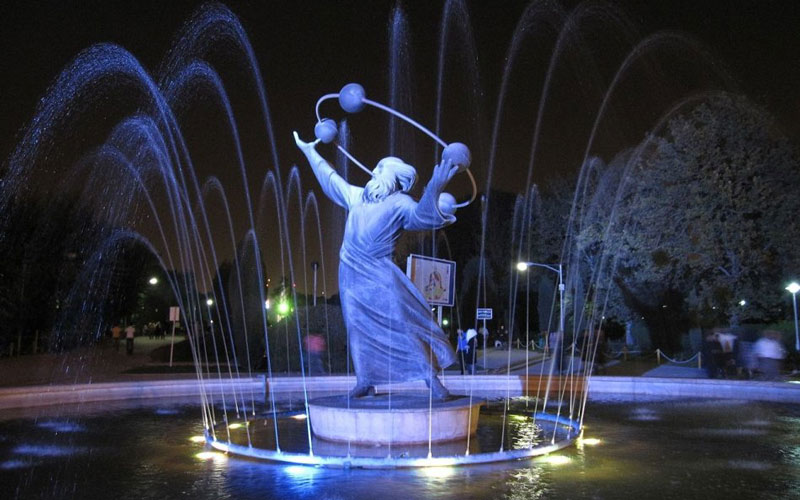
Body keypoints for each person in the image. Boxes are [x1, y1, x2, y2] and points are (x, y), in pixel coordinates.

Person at [294, 132, 459, 400]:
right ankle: (365, 380)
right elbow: (331, 181)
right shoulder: (357, 197)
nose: (373, 171)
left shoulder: (400, 203)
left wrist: (435, 187)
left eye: (380, 168)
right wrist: (310, 152)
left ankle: (432, 381)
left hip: (379, 272)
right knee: (357, 328)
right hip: (350, 273)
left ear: (392, 175)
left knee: (401, 323)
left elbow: (422, 218)